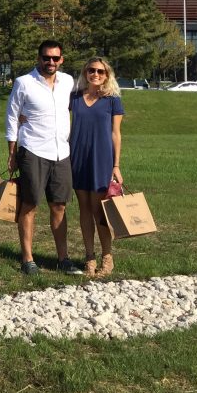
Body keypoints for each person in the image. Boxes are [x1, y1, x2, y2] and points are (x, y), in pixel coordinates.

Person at [5, 40, 79, 275]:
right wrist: (11, 153)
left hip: (61, 152)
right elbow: (11, 116)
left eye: (55, 58)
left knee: (59, 205)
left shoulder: (68, 81)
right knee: (30, 204)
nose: (50, 62)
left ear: (61, 60)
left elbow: (88, 95)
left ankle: (63, 258)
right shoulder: (24, 83)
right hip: (33, 150)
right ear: (38, 58)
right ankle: (28, 259)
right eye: (46, 58)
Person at [70, 56, 124, 277]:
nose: (96, 74)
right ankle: (89, 256)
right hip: (77, 157)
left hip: (102, 159)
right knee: (84, 210)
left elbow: (116, 134)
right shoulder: (74, 98)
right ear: (85, 72)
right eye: (92, 70)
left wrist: (116, 164)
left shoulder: (112, 100)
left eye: (101, 72)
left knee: (100, 210)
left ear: (107, 75)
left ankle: (107, 256)